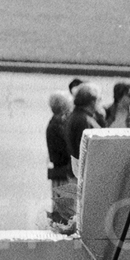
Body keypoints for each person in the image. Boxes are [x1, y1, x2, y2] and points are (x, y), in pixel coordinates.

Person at [46, 91, 76, 223]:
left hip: (60, 172)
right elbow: (67, 147)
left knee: (62, 209)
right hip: (64, 173)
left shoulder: (55, 122)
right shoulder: (59, 123)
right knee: (65, 212)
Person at [65, 82, 105, 167]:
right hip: (84, 174)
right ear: (92, 101)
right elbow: (86, 150)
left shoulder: (77, 115)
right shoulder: (83, 120)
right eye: (99, 99)